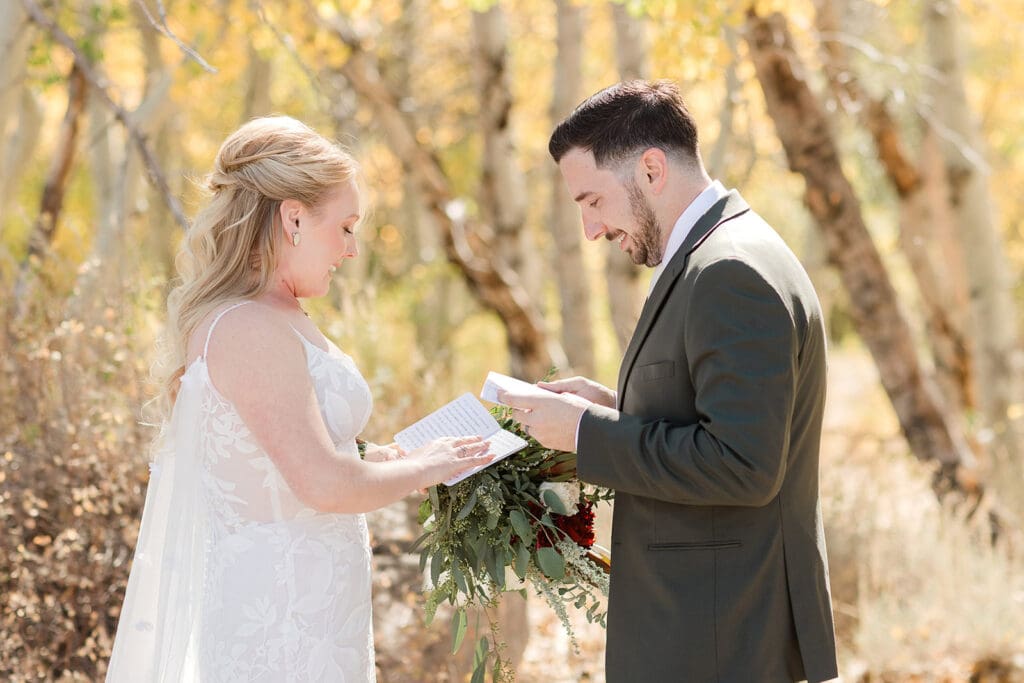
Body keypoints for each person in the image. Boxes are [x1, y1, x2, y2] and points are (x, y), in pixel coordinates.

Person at [106, 116, 493, 682]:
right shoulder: (246, 327)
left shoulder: (281, 316)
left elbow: (297, 465)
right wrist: (430, 467)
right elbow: (324, 485)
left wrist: (393, 458)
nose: (354, 250)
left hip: (316, 610)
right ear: (293, 218)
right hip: (277, 621)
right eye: (345, 227)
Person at [499, 80, 838, 682]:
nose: (590, 229)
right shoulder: (714, 256)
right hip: (707, 630)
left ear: (651, 168)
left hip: (723, 640)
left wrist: (586, 434)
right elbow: (712, 419)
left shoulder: (730, 271)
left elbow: (744, 465)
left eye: (592, 200)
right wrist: (610, 405)